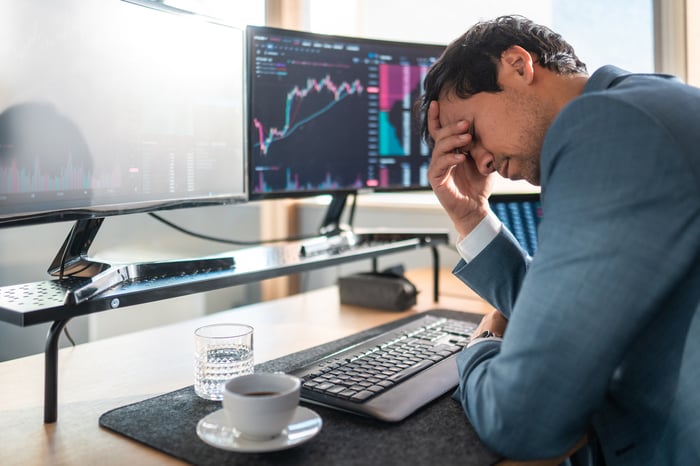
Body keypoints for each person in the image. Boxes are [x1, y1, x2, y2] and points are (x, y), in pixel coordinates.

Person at [419, 15, 700, 466]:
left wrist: (477, 350)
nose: (482, 163)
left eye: (468, 131)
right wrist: (471, 214)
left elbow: (521, 419)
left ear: (517, 64)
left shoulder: (607, 125)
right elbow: (566, 314)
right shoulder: (635, 109)